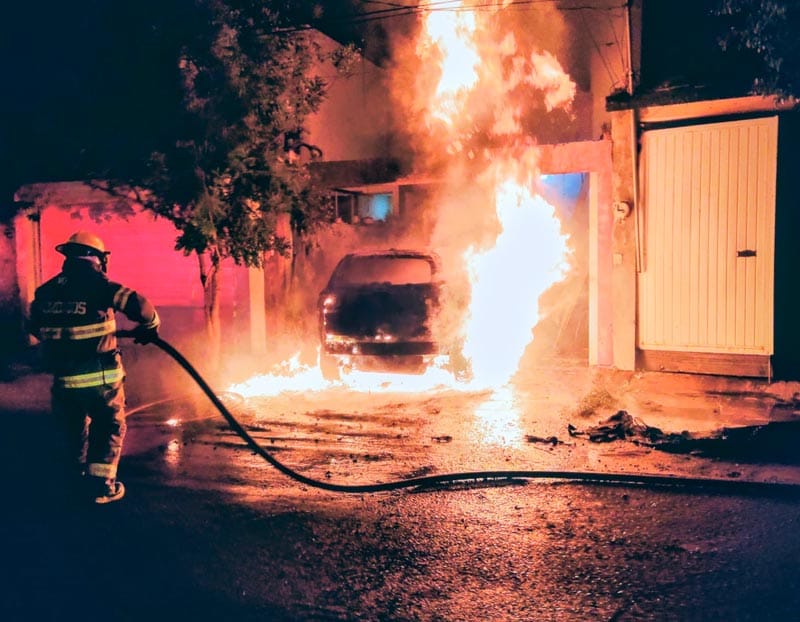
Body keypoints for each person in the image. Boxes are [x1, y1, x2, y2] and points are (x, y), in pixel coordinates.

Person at [27, 231, 160, 504]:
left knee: (71, 430)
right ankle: (101, 487)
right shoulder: (101, 286)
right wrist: (151, 326)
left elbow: (35, 328)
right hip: (100, 379)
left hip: (64, 381)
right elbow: (141, 307)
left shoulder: (45, 292)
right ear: (97, 258)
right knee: (107, 425)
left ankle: (72, 481)